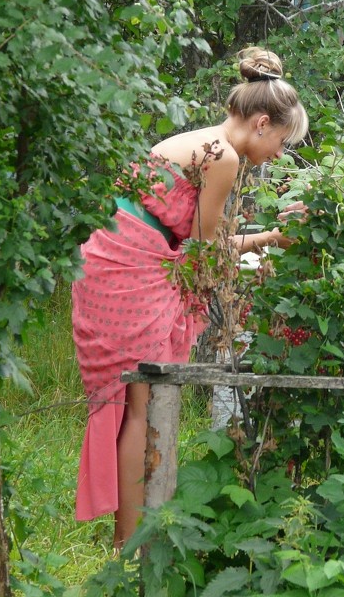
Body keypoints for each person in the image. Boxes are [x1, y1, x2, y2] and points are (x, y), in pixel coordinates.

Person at [72, 47, 308, 549]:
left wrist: (263, 241)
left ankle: (131, 534)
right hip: (132, 270)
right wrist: (262, 257)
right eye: (283, 143)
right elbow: (203, 253)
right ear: (262, 123)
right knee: (145, 401)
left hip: (117, 259)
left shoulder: (200, 139)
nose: (280, 155)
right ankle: (134, 542)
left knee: (138, 400)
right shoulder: (221, 158)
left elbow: (195, 241)